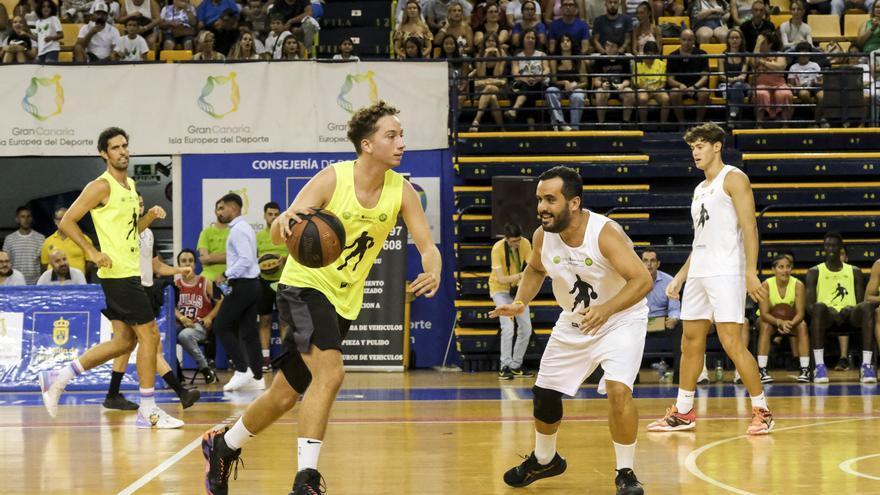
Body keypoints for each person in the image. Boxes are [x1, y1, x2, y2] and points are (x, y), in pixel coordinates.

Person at [202, 101, 442, 495]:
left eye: (401, 135)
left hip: (344, 301)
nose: (401, 142)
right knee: (331, 373)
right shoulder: (333, 179)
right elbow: (286, 229)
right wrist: (284, 223)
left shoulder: (402, 191)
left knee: (284, 395)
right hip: (302, 288)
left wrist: (431, 268)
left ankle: (223, 446)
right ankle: (306, 479)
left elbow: (426, 245)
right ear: (367, 144)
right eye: (391, 135)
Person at [491, 166, 650, 494]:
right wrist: (521, 301)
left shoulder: (605, 234)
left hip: (621, 318)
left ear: (574, 202)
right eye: (539, 199)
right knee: (545, 394)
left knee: (619, 390)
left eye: (550, 199)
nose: (542, 207)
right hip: (576, 319)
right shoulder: (541, 236)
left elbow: (642, 280)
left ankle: (625, 472)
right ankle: (546, 459)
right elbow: (535, 269)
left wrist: (606, 309)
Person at [38, 127, 183, 429]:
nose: (123, 151)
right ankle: (148, 409)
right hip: (118, 273)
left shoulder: (129, 185)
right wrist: (90, 251)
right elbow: (67, 220)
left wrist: (150, 217)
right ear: (104, 153)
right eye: (115, 147)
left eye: (125, 146)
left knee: (123, 343)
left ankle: (58, 377)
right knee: (151, 336)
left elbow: (132, 230)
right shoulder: (100, 186)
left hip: (129, 270)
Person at [647, 123, 774, 435]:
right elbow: (700, 240)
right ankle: (684, 412)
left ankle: (763, 410)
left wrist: (749, 271)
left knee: (732, 342)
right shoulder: (699, 188)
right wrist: (679, 276)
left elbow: (750, 227)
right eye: (692, 147)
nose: (695, 152)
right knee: (690, 340)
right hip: (700, 271)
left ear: (717, 146)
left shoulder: (734, 178)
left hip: (727, 270)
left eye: (701, 145)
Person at [102, 193, 200, 411]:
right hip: (129, 290)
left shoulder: (148, 234)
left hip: (144, 291)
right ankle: (180, 392)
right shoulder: (123, 232)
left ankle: (112, 394)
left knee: (127, 346)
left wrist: (179, 270)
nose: (139, 207)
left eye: (141, 203)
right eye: (135, 204)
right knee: (150, 344)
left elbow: (157, 267)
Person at [210, 193, 264, 392]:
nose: (219, 212)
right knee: (249, 333)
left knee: (221, 326)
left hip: (243, 285)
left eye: (222, 208)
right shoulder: (244, 228)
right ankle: (258, 377)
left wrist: (226, 273)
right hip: (252, 285)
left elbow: (246, 259)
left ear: (233, 207)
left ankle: (242, 369)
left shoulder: (238, 231)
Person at [807, 232, 876, 383]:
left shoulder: (854, 271)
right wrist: (828, 309)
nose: (830, 248)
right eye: (827, 245)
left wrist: (852, 309)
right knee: (818, 307)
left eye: (834, 245)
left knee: (866, 307)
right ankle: (819, 366)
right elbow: (809, 307)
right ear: (824, 247)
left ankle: (866, 365)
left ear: (840, 248)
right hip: (827, 316)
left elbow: (860, 302)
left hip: (850, 315)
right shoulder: (814, 271)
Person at [756, 253, 811, 383]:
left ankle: (805, 369)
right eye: (781, 267)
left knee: (802, 325)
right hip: (769, 319)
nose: (785, 270)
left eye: (788, 267)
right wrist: (779, 322)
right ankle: (762, 370)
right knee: (765, 325)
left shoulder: (798, 285)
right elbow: (764, 313)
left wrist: (789, 324)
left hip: (791, 321)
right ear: (773, 270)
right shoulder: (766, 285)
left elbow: (800, 313)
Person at [489, 223, 535, 379]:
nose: (516, 244)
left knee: (526, 328)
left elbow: (530, 269)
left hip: (517, 291)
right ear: (506, 238)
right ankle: (505, 366)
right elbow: (501, 279)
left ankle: (516, 365)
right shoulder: (497, 249)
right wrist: (521, 276)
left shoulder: (525, 243)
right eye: (512, 241)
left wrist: (523, 282)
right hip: (500, 290)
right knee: (508, 327)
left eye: (518, 240)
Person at [175, 248, 220, 384]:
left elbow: (221, 300)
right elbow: (172, 307)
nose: (187, 264)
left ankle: (206, 370)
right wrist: (182, 318)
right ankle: (176, 372)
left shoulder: (205, 282)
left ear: (195, 264)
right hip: (182, 324)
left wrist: (209, 317)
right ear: (179, 265)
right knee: (164, 337)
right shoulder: (175, 284)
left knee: (184, 336)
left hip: (199, 326)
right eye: (183, 261)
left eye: (190, 261)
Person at [256, 201, 289, 372]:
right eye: (270, 214)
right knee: (265, 320)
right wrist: (261, 264)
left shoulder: (286, 235)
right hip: (263, 282)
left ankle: (285, 359)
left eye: (276, 214)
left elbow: (294, 257)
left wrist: (283, 260)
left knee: (284, 320)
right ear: (264, 215)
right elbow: (253, 259)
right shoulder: (258, 236)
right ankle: (265, 358)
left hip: (282, 281)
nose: (273, 217)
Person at [545, 32, 588, 131]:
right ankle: (561, 122)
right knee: (550, 90)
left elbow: (585, 82)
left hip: (576, 88)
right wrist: (564, 82)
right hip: (560, 89)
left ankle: (574, 128)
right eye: (562, 41)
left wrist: (574, 87)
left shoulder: (579, 60)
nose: (565, 43)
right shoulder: (554, 60)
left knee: (578, 96)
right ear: (559, 44)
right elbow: (553, 80)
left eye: (568, 40)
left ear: (572, 43)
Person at [666, 29, 710, 125]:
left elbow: (705, 77)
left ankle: (698, 124)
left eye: (690, 40)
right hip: (680, 88)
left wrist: (695, 87)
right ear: (680, 40)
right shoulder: (672, 56)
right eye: (684, 40)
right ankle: (681, 123)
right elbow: (670, 79)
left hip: (696, 87)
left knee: (705, 92)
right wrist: (680, 85)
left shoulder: (702, 54)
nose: (687, 43)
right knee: (674, 93)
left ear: (694, 40)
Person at [469, 32, 509, 132]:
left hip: (498, 87)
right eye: (488, 41)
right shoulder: (479, 55)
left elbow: (497, 75)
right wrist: (485, 56)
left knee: (489, 88)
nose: (491, 43)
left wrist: (499, 58)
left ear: (497, 43)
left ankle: (476, 121)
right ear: (484, 43)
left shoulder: (502, 53)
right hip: (482, 89)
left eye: (493, 41)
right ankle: (501, 128)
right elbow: (481, 74)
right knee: (492, 97)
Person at [752, 31, 793, 125]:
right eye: (758, 43)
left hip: (779, 84)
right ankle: (759, 123)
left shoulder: (779, 54)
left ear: (770, 44)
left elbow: (780, 67)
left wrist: (763, 63)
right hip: (761, 85)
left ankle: (785, 124)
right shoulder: (755, 55)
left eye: (762, 43)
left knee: (784, 94)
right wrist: (758, 45)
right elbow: (754, 63)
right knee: (761, 94)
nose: (759, 45)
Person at [41, 207, 94, 280]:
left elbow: (90, 262)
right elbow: (44, 264)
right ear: (55, 221)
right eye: (60, 219)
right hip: (55, 284)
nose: (62, 222)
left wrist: (80, 274)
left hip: (77, 282)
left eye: (65, 218)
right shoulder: (47, 241)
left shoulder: (83, 239)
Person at [593, 37, 636, 124]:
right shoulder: (600, 59)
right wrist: (602, 85)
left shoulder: (624, 58)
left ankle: (625, 122)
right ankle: (601, 123)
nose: (608, 48)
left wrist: (622, 85)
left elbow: (628, 80)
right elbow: (596, 80)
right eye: (607, 46)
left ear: (618, 48)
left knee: (629, 92)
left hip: (620, 88)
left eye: (612, 46)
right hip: (606, 88)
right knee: (600, 93)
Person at [2, 206, 43, 285]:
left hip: (35, 284)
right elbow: (5, 262)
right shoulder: (9, 239)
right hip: (15, 283)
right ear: (17, 219)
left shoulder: (40, 238)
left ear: (31, 218)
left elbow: (43, 263)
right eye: (23, 217)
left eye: (28, 216)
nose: (26, 220)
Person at [634, 40, 669, 124]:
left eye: (653, 54)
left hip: (657, 89)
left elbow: (663, 83)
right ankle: (643, 124)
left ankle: (663, 124)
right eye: (648, 53)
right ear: (644, 53)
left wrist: (657, 88)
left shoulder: (661, 64)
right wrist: (646, 88)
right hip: (643, 89)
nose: (650, 56)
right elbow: (637, 83)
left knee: (666, 99)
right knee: (642, 98)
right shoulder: (637, 64)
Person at [198, 199, 230, 287]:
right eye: (220, 208)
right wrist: (226, 256)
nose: (223, 211)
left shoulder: (235, 232)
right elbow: (204, 259)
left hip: (230, 277)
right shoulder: (205, 233)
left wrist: (211, 257)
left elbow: (237, 258)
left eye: (226, 209)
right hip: (208, 278)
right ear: (215, 211)